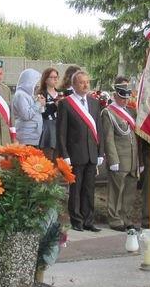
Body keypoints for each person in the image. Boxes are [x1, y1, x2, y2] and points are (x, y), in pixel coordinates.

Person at [57, 71, 104, 232]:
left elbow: (99, 129)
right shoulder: (66, 104)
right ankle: (76, 220)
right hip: (75, 154)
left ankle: (89, 220)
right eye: (82, 82)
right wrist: (65, 155)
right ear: (74, 85)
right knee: (76, 190)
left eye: (87, 82)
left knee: (89, 190)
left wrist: (100, 152)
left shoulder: (94, 103)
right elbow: (61, 133)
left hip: (91, 153)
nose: (85, 85)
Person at [101, 77, 140, 231]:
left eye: (126, 97)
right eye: (122, 97)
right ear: (115, 95)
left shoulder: (130, 112)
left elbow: (134, 138)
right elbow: (109, 139)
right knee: (116, 191)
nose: (125, 100)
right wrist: (113, 160)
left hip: (132, 159)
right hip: (119, 158)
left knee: (129, 191)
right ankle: (115, 219)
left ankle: (126, 218)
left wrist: (139, 161)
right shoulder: (108, 113)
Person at [12, 69, 45, 146]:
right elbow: (26, 115)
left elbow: (37, 112)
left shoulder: (28, 95)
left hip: (33, 136)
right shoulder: (20, 95)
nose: (36, 85)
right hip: (26, 137)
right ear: (28, 81)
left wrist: (40, 103)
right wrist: (38, 104)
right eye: (34, 82)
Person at [37, 67, 60, 159]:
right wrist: (55, 106)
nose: (55, 79)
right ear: (45, 79)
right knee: (48, 156)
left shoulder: (60, 93)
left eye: (56, 77)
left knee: (58, 158)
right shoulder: (41, 94)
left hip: (60, 126)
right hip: (48, 126)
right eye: (52, 77)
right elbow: (42, 113)